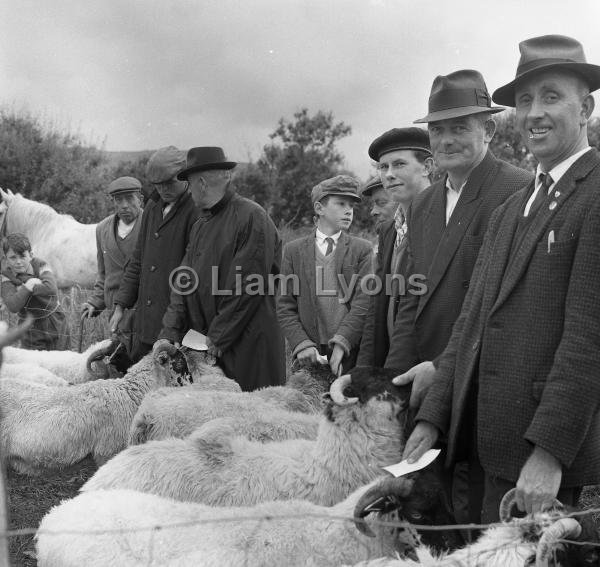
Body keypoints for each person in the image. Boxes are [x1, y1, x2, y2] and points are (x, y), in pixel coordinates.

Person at [403, 34, 600, 523]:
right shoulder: (514, 207)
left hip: (541, 463)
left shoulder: (594, 195)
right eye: (525, 100)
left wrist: (549, 453)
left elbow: (588, 341)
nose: (533, 113)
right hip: (495, 447)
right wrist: (433, 419)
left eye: (551, 97)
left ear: (587, 108)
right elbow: (470, 323)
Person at [155, 147, 285, 391]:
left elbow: (247, 287)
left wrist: (215, 339)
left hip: (247, 347)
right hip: (213, 347)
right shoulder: (201, 224)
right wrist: (169, 329)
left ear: (202, 183)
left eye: (190, 184)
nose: (189, 190)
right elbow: (184, 280)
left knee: (251, 417)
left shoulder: (251, 217)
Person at [110, 147, 200, 362]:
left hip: (177, 326)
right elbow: (138, 259)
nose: (163, 189)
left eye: (169, 182)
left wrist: (175, 326)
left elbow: (193, 273)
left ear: (185, 176)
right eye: (158, 185)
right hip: (145, 323)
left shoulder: (195, 210)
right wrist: (121, 305)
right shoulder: (153, 206)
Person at [277, 175, 372, 375]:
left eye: (352, 206)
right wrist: (301, 343)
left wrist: (343, 341)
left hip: (350, 348)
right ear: (319, 208)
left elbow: (364, 303)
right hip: (309, 350)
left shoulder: (362, 249)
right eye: (341, 204)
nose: (349, 211)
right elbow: (285, 305)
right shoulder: (294, 251)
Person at [356, 127, 433, 368]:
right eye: (383, 167)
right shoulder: (389, 229)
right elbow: (376, 309)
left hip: (426, 366)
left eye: (399, 164)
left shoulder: (445, 219)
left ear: (428, 167)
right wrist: (365, 371)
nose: (388, 175)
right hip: (391, 362)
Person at [81, 176, 143, 321]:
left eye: (129, 198)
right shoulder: (102, 229)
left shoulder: (152, 225)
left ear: (140, 199)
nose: (124, 205)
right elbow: (103, 274)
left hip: (143, 310)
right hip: (114, 312)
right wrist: (95, 302)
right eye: (118, 200)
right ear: (113, 202)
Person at [1, 233, 66, 350]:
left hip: (54, 320)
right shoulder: (6, 276)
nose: (18, 262)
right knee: (34, 363)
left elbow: (50, 288)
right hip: (29, 326)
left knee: (61, 358)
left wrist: (21, 289)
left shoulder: (41, 265)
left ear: (31, 255)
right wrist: (29, 285)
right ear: (6, 259)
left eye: (22, 256)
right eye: (13, 257)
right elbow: (13, 305)